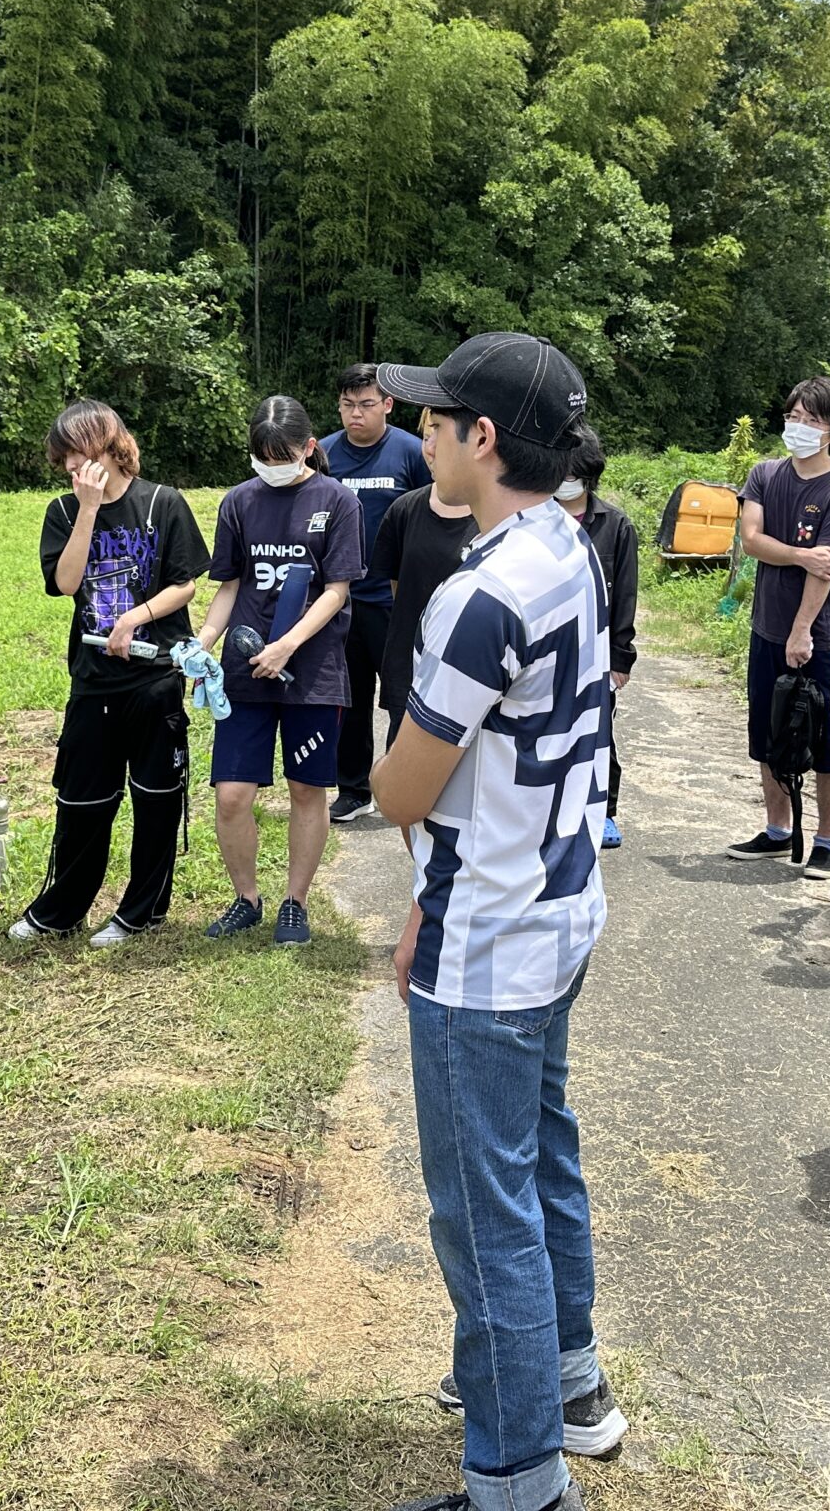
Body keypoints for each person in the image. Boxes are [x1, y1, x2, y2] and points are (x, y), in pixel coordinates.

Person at [372, 332, 620, 1511]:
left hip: (491, 938)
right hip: (557, 906)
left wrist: (426, 879)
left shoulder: (482, 593)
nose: (419, 435)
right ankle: (568, 1381)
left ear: (483, 440)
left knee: (484, 1214)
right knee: (539, 1154)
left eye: (435, 419)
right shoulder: (567, 543)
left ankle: (519, 1481)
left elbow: (403, 790)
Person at [11, 401, 208, 949]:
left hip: (155, 676)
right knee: (81, 798)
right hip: (93, 680)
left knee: (156, 797)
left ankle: (141, 910)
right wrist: (88, 510)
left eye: (82, 457)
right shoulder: (63, 510)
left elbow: (185, 584)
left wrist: (137, 617)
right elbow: (67, 584)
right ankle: (62, 908)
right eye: (67, 463)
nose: (75, 471)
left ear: (111, 448)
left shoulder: (163, 503)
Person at [197, 395, 366, 948]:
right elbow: (230, 585)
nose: (272, 465)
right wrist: (201, 644)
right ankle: (246, 899)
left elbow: (337, 591)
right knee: (231, 795)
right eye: (262, 456)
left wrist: (287, 646)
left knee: (306, 790)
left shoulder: (337, 501)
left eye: (283, 455)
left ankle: (295, 901)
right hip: (245, 672)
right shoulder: (238, 502)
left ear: (308, 448)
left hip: (311, 673)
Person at [724, 378, 830, 876]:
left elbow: (828, 569)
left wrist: (802, 629)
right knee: (766, 731)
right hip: (766, 627)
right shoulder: (764, 474)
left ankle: (828, 840)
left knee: (826, 737)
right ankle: (777, 829)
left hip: (818, 636)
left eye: (813, 420)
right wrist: (802, 555)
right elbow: (753, 540)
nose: (800, 427)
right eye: (795, 416)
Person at [325, 362, 432, 825]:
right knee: (347, 699)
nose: (356, 415)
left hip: (394, 599)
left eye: (367, 404)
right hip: (340, 599)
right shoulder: (325, 453)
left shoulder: (411, 452)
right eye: (348, 405)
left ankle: (398, 785)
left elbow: (434, 515)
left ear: (388, 404)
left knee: (400, 697)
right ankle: (353, 788)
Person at [369, 405, 480, 753]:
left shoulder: (499, 520)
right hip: (411, 666)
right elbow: (402, 590)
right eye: (425, 433)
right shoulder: (404, 511)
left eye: (438, 432)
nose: (429, 446)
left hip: (471, 672)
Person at [559, 424, 638, 849]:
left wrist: (620, 657)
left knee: (599, 733)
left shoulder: (614, 524)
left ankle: (604, 811)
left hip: (598, 648)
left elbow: (625, 592)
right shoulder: (537, 515)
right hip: (550, 646)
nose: (566, 481)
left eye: (575, 473)